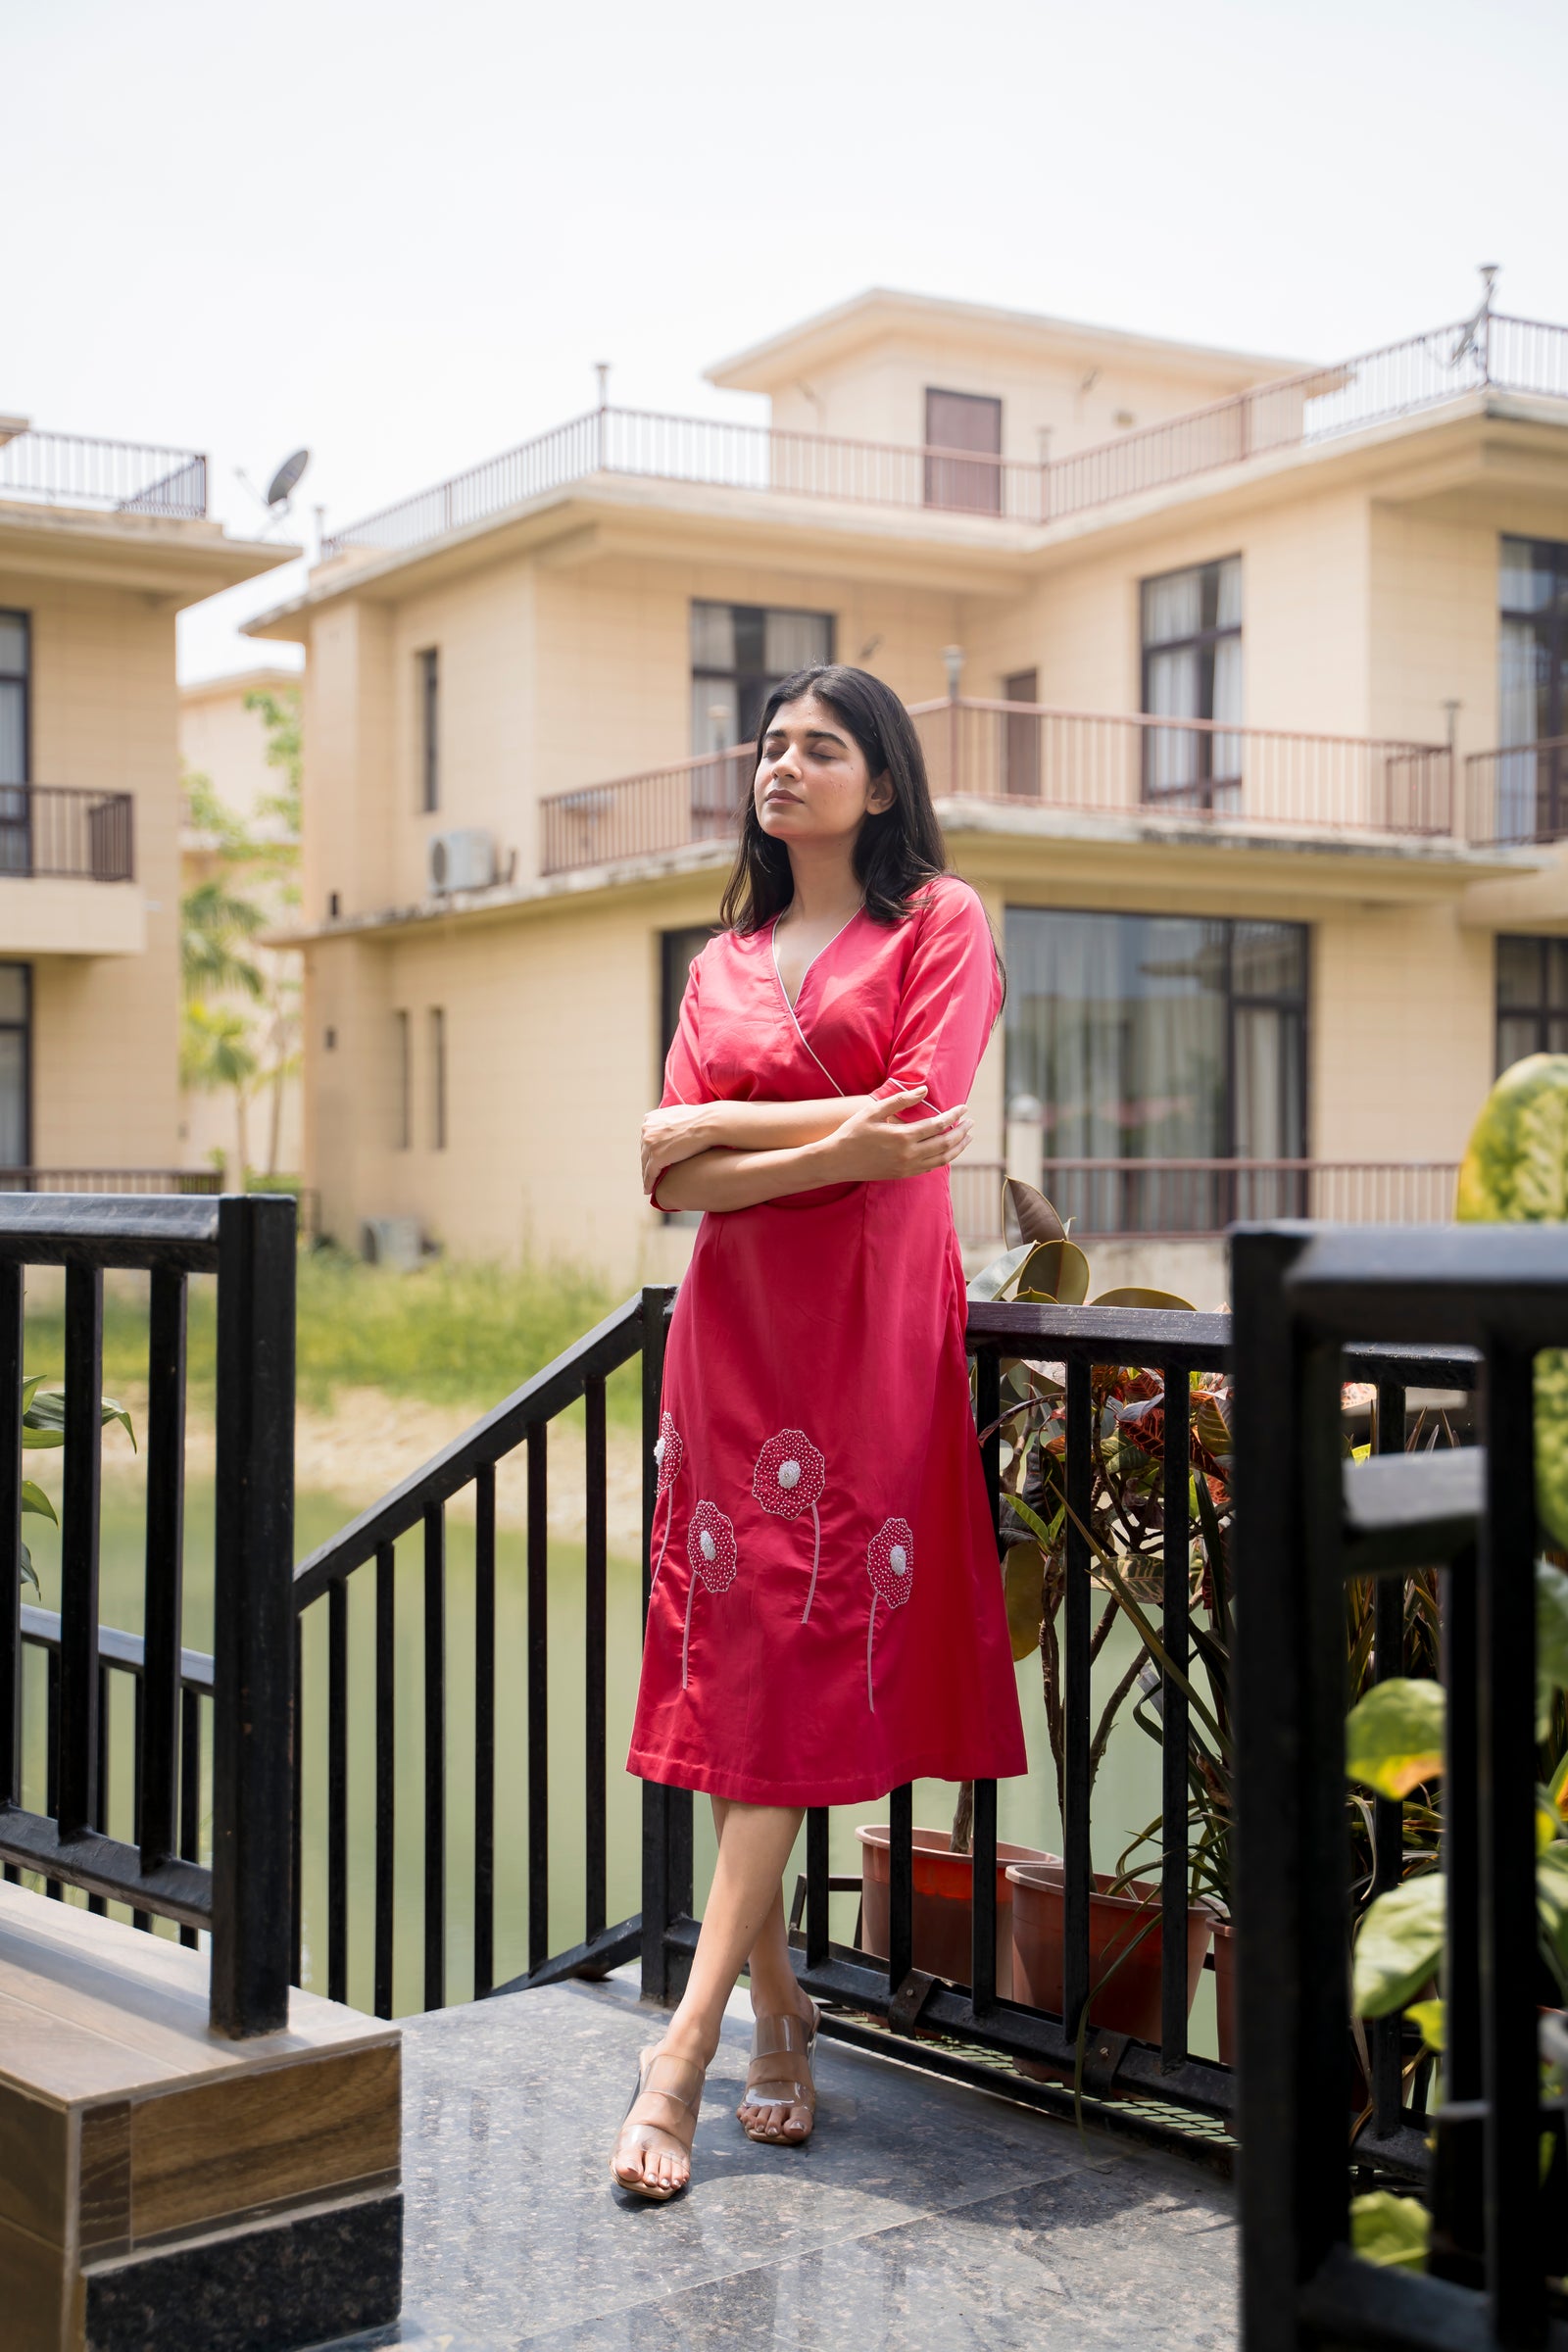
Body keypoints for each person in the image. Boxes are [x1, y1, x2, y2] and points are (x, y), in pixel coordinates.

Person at [611, 664, 1027, 2200]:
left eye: (822, 747)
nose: (783, 766)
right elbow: (672, 1183)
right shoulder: (719, 961)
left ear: (883, 781)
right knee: (746, 1672)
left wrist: (726, 1123)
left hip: (864, 1334)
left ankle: (685, 2048)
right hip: (730, 1340)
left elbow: (917, 1122)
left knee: (793, 1655)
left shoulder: (941, 925)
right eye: (772, 746)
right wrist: (815, 1136)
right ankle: (781, 2014)